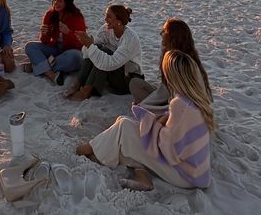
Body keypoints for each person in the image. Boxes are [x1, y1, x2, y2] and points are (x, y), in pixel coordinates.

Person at [76, 50, 215, 191]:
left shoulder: (180, 104)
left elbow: (166, 147)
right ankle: (142, 176)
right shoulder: (196, 99)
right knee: (127, 134)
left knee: (124, 126)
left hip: (183, 175)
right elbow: (177, 136)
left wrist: (146, 121)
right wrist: (154, 122)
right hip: (197, 174)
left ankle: (89, 149)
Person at [130, 18, 212, 114]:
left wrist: (145, 105)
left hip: (179, 103)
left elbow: (177, 95)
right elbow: (164, 89)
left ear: (172, 37)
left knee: (143, 108)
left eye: (164, 31)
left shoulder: (181, 62)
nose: (161, 33)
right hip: (168, 96)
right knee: (135, 84)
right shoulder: (169, 53)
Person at [65, 5, 142, 100]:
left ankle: (86, 91)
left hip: (129, 81)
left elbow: (109, 63)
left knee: (104, 52)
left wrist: (90, 46)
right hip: (114, 72)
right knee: (97, 47)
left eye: (109, 16)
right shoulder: (106, 29)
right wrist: (87, 43)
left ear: (119, 21)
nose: (105, 19)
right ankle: (78, 84)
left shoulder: (130, 38)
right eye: (105, 15)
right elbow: (88, 54)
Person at [24, 0, 87, 85]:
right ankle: (50, 74)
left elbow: (82, 44)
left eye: (60, 0)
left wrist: (68, 33)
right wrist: (45, 33)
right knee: (30, 46)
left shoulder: (77, 17)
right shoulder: (50, 14)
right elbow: (44, 41)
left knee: (76, 58)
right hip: (54, 50)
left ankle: (36, 66)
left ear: (67, 2)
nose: (56, 2)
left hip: (70, 51)